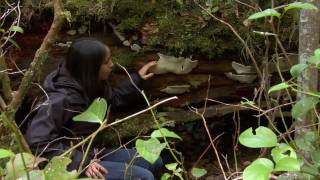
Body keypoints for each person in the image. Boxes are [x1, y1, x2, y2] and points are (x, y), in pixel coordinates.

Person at [24, 38, 161, 179]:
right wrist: (80, 163)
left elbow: (112, 99)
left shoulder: (89, 82)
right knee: (144, 177)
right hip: (71, 165)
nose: (112, 65)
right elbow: (37, 141)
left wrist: (136, 79)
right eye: (106, 62)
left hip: (91, 153)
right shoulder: (60, 98)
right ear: (91, 67)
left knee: (153, 160)